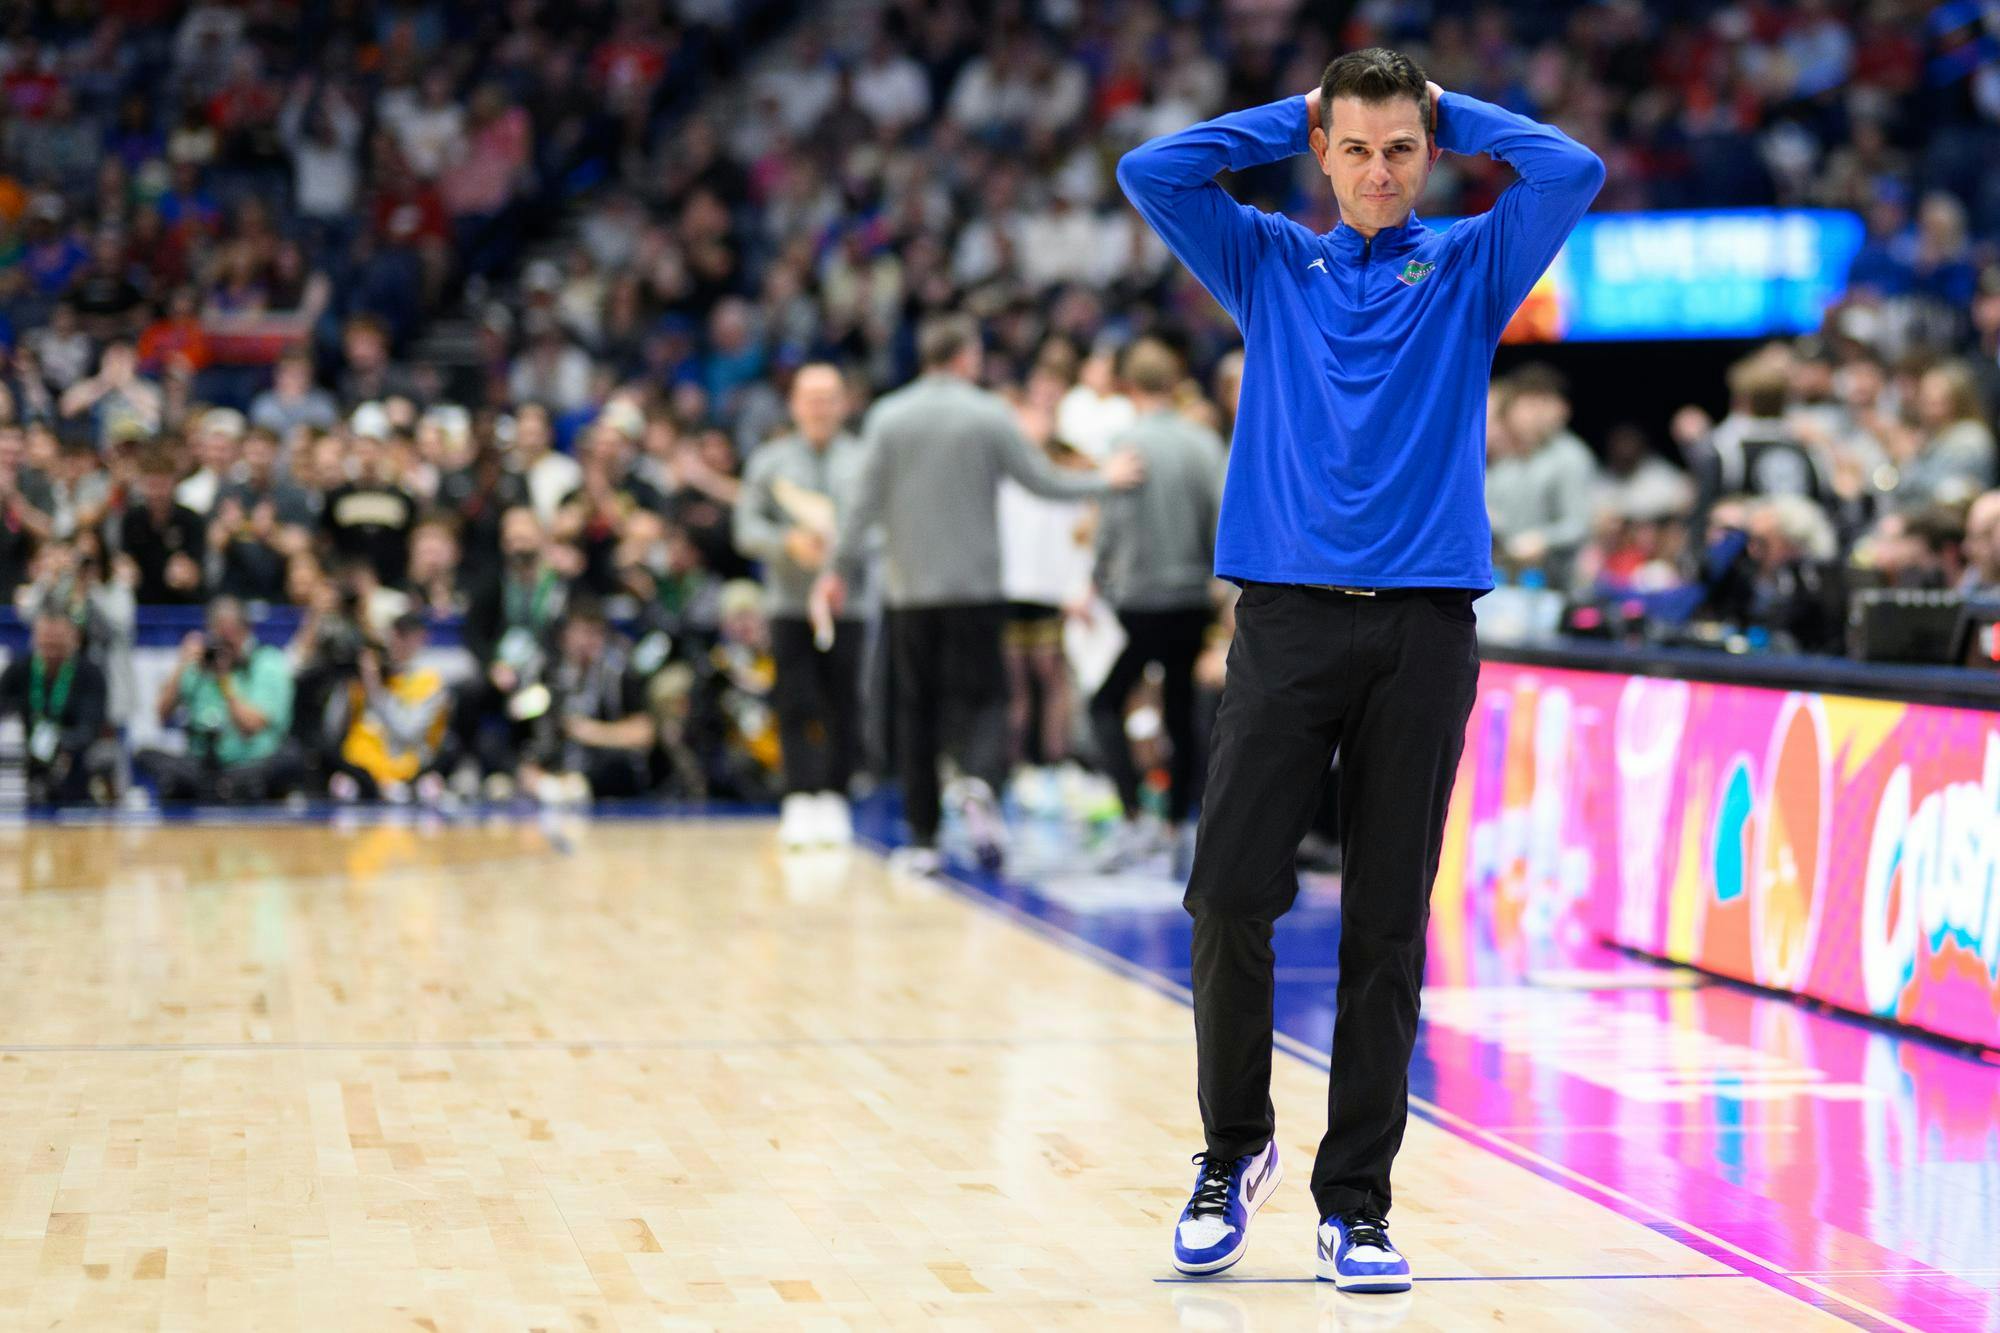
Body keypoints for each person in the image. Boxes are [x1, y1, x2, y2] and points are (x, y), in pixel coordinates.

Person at [1119, 48, 1601, 1287]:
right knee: (1227, 893)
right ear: (1321, 153)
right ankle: (1232, 1151)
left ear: (1427, 154)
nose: (1378, 172)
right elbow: (1151, 168)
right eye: (1354, 148)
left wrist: (1450, 107)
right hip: (1282, 621)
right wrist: (1299, 110)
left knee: (1384, 924)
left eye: (1400, 149)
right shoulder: (1267, 258)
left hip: (1424, 630)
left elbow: (1571, 167)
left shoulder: (1474, 263)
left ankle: (1357, 1201)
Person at [814, 312, 1143, 873]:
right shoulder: (988, 414)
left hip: (909, 593)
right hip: (978, 590)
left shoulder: (889, 418)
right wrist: (1103, 479)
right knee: (989, 700)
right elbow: (1041, 481)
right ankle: (978, 782)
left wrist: (836, 569)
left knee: (916, 710)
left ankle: (922, 839)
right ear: (966, 357)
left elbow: (862, 505)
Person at [1086, 338, 1226, 865]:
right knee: (1181, 707)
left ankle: (1132, 815)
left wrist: (1098, 576)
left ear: (1128, 385)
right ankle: (1176, 827)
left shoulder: (1126, 442)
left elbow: (1110, 520)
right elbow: (1220, 516)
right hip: (1192, 595)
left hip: (1140, 596)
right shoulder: (1202, 443)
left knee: (1105, 704)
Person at [732, 362, 868, 848]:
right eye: (810, 397)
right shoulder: (770, 462)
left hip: (849, 602)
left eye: (829, 397)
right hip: (789, 602)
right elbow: (745, 529)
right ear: (794, 404)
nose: (819, 407)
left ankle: (834, 796)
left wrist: (842, 556)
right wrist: (786, 542)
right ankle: (798, 797)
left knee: (843, 701)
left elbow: (880, 529)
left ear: (844, 403)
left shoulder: (863, 460)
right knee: (794, 699)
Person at [136, 596, 301, 802]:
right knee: (145, 755)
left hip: (251, 762)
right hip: (203, 764)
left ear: (245, 631)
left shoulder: (267, 662)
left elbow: (251, 725)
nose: (224, 646)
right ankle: (218, 788)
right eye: (218, 635)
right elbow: (161, 714)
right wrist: (181, 665)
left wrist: (225, 680)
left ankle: (226, 788)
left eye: (230, 638)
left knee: (289, 758)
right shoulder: (201, 665)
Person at [328, 611, 452, 803]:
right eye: (392, 635)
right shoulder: (374, 675)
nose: (394, 643)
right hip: (362, 766)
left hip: (407, 768)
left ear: (420, 638)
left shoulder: (429, 681)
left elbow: (407, 732)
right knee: (341, 782)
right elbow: (332, 727)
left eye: (402, 635)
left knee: (427, 787)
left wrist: (374, 688)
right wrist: (347, 684)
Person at [0, 606, 110, 804]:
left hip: (74, 756)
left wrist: (57, 741)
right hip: (29, 757)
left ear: (74, 639)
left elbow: (90, 728)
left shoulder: (90, 674)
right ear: (34, 640)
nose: (50, 653)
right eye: (45, 645)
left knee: (96, 758)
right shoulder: (19, 670)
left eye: (57, 646)